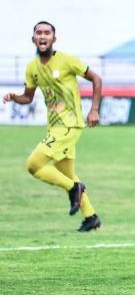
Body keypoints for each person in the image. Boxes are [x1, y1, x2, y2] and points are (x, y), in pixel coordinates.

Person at [2, 21, 103, 232]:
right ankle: (91, 216)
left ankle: (73, 189)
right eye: (38, 33)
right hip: (54, 127)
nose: (43, 36)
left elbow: (96, 79)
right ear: (33, 39)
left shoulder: (66, 60)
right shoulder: (32, 67)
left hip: (70, 124)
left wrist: (94, 109)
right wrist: (14, 97)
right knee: (66, 172)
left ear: (53, 39)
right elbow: (27, 98)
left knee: (34, 164)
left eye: (47, 33)